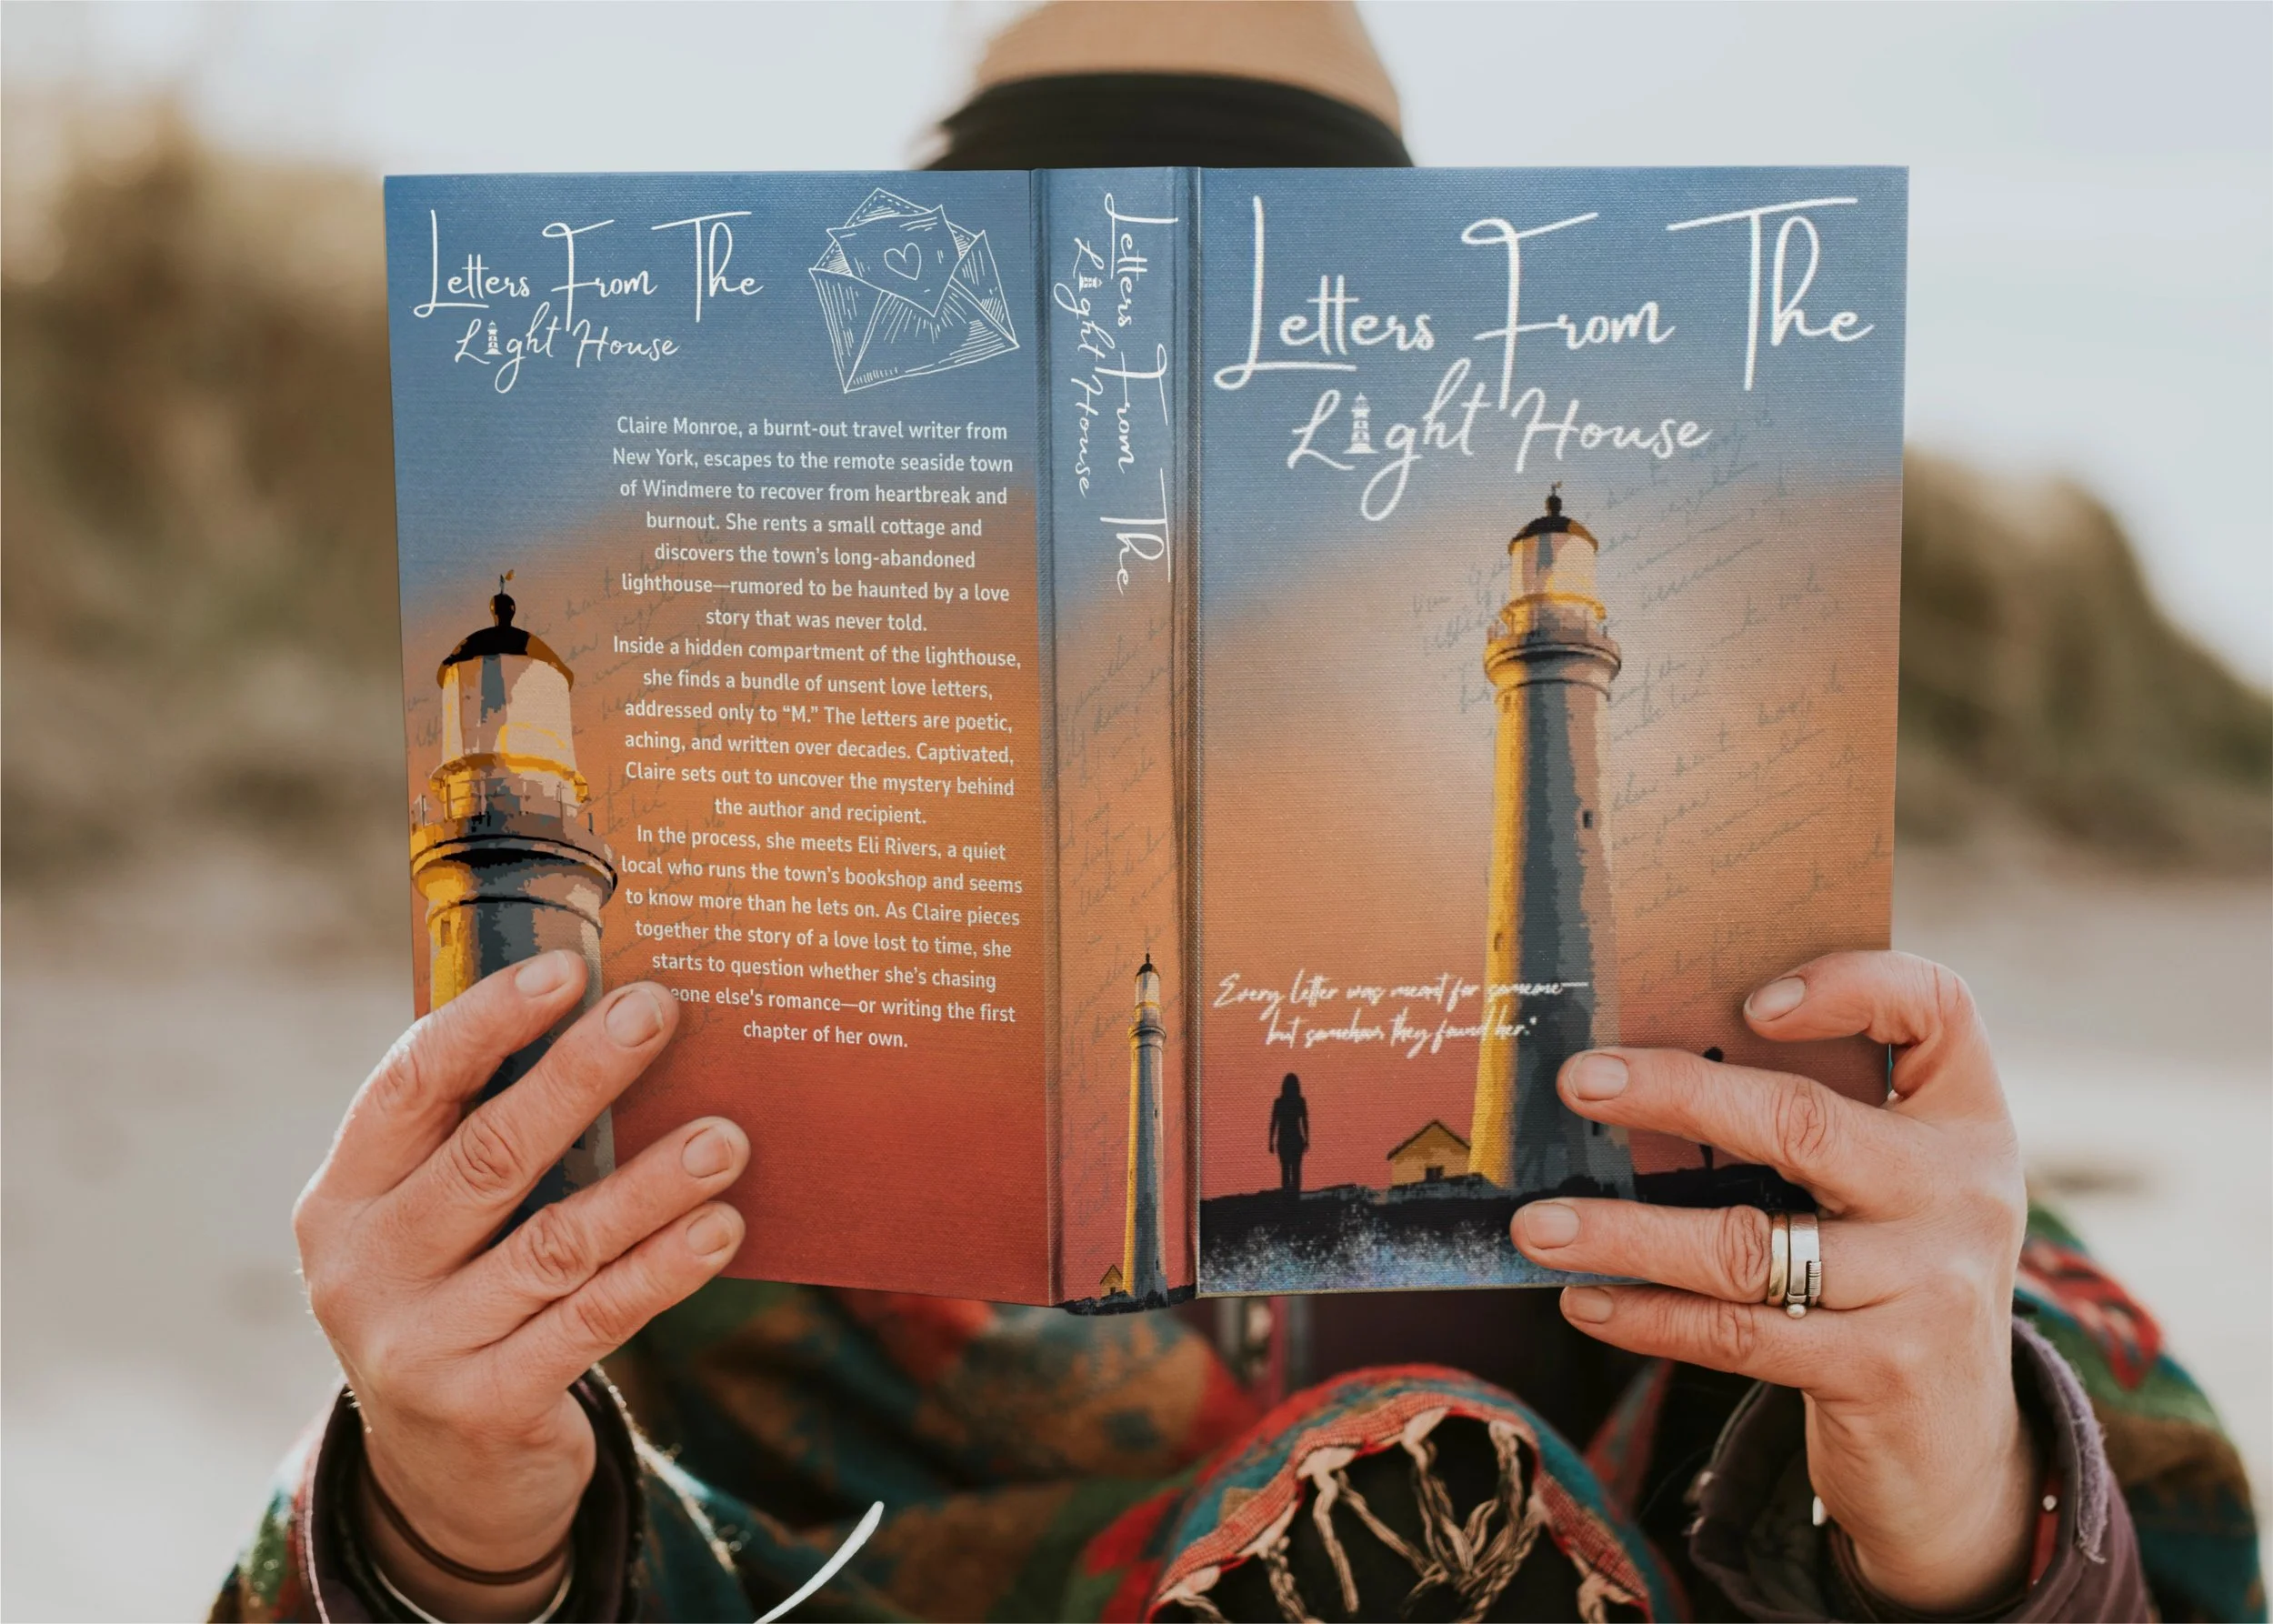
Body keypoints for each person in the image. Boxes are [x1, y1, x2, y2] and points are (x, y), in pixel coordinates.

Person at [215, 7, 2261, 1621]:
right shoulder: (644, 1131)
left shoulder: (1746, 1101)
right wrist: (450, 1515)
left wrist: (1956, 1480)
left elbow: (2146, 1530)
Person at [1268, 1074, 1309, 1195]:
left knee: (1285, 1169)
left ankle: (1287, 1197)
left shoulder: (1279, 1102)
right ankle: (1295, 1196)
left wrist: (1270, 1141)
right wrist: (1307, 1139)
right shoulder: (1300, 1101)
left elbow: (1274, 1122)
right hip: (1296, 1138)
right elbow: (1304, 1121)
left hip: (1283, 1140)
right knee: (1296, 1169)